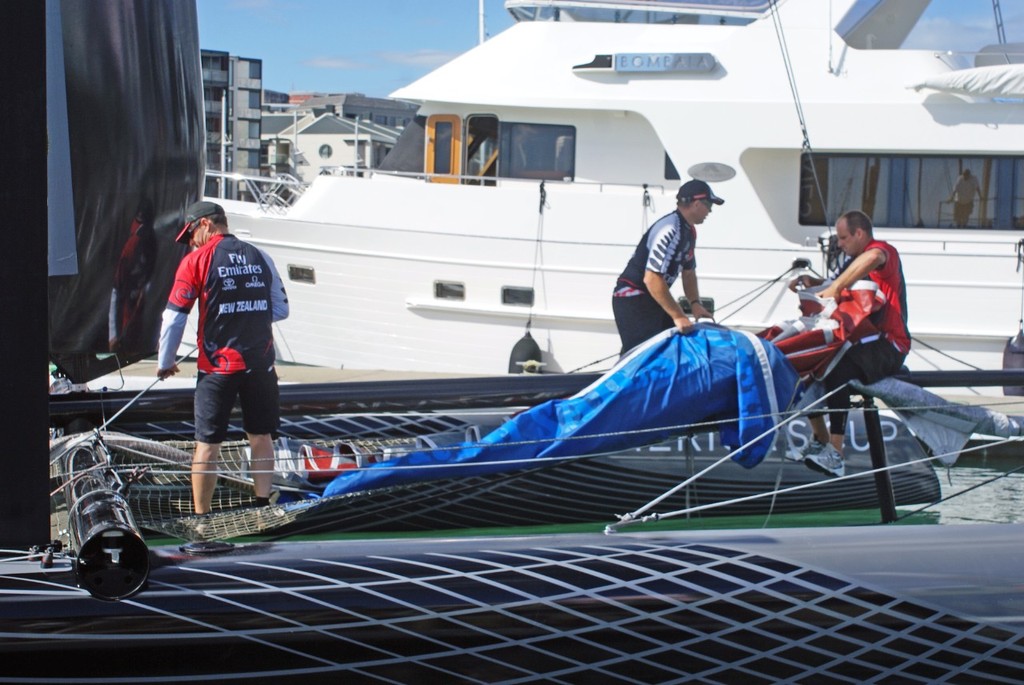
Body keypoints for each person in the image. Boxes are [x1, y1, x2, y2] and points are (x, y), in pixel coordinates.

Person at [156, 201, 289, 514]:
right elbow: (281, 309)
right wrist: (247, 318)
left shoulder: (196, 261)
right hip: (260, 363)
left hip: (217, 368)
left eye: (190, 234)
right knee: (260, 435)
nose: (190, 242)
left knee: (207, 444)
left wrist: (165, 362)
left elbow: (174, 317)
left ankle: (202, 514)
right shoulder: (260, 256)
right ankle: (262, 505)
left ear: (204, 224)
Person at [789, 210, 911, 477]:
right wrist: (815, 283)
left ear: (859, 234)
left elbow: (874, 258)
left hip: (890, 345)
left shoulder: (881, 252)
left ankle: (836, 453)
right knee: (811, 358)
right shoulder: (853, 261)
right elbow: (836, 284)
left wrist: (835, 287)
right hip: (864, 342)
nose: (840, 244)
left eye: (844, 238)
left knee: (838, 367)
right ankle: (819, 439)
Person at [612, 179, 723, 354]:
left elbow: (688, 273)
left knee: (672, 348)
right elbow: (651, 278)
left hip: (653, 299)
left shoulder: (689, 231)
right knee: (645, 355)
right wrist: (678, 316)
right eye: (709, 204)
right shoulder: (669, 229)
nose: (710, 210)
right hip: (633, 297)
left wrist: (695, 304)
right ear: (696, 204)